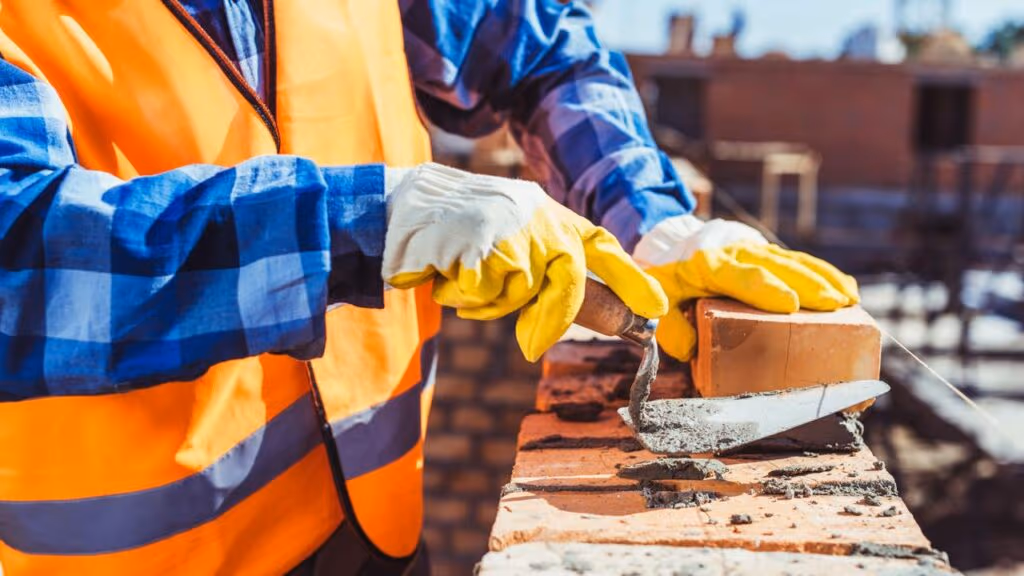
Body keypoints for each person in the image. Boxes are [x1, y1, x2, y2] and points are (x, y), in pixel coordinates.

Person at [0, 1, 858, 574]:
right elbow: (21, 255)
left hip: (375, 530)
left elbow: (540, 48)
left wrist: (652, 222)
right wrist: (374, 219)